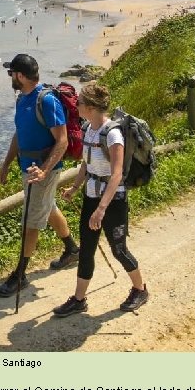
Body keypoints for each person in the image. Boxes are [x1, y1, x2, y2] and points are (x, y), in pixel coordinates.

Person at [53, 83, 148, 316]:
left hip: (112, 201)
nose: (77, 104)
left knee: (119, 250)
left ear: (92, 107)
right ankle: (79, 299)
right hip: (91, 197)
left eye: (81, 102)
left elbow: (116, 174)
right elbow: (86, 163)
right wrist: (75, 188)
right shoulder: (88, 129)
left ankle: (140, 289)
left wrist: (101, 209)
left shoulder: (113, 134)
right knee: (86, 249)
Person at [0, 54, 79, 298]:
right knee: (48, 207)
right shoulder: (22, 99)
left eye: (12, 73)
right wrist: (6, 163)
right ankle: (72, 249)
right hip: (28, 168)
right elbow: (19, 134)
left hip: (43, 171)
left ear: (20, 76)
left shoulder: (47, 101)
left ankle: (20, 275)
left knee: (31, 220)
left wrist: (44, 170)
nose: (10, 76)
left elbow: (62, 141)